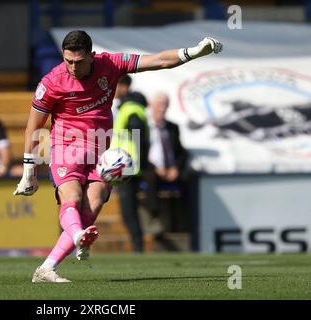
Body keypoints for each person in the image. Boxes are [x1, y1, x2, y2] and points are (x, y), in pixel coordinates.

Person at [13, 30, 222, 283]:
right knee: (73, 196)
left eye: (79, 61)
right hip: (65, 148)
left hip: (99, 152)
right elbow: (33, 127)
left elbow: (158, 61)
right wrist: (29, 172)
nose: (73, 67)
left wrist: (193, 52)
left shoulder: (110, 64)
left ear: (92, 56)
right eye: (68, 61)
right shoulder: (52, 82)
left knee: (95, 202)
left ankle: (47, 268)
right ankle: (78, 236)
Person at [146, 92, 191, 235]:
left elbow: (181, 152)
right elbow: (138, 153)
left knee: (189, 177)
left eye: (165, 105)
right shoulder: (143, 127)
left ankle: (189, 218)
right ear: (151, 105)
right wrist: (155, 168)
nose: (162, 108)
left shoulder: (173, 127)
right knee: (150, 178)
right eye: (159, 104)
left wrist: (175, 168)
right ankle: (154, 217)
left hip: (171, 170)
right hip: (152, 169)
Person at [112, 91, 150, 253]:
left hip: (128, 167)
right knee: (130, 210)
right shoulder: (133, 110)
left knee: (128, 211)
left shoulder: (130, 110)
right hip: (129, 166)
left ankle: (138, 246)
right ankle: (137, 245)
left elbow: (137, 136)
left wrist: (139, 163)